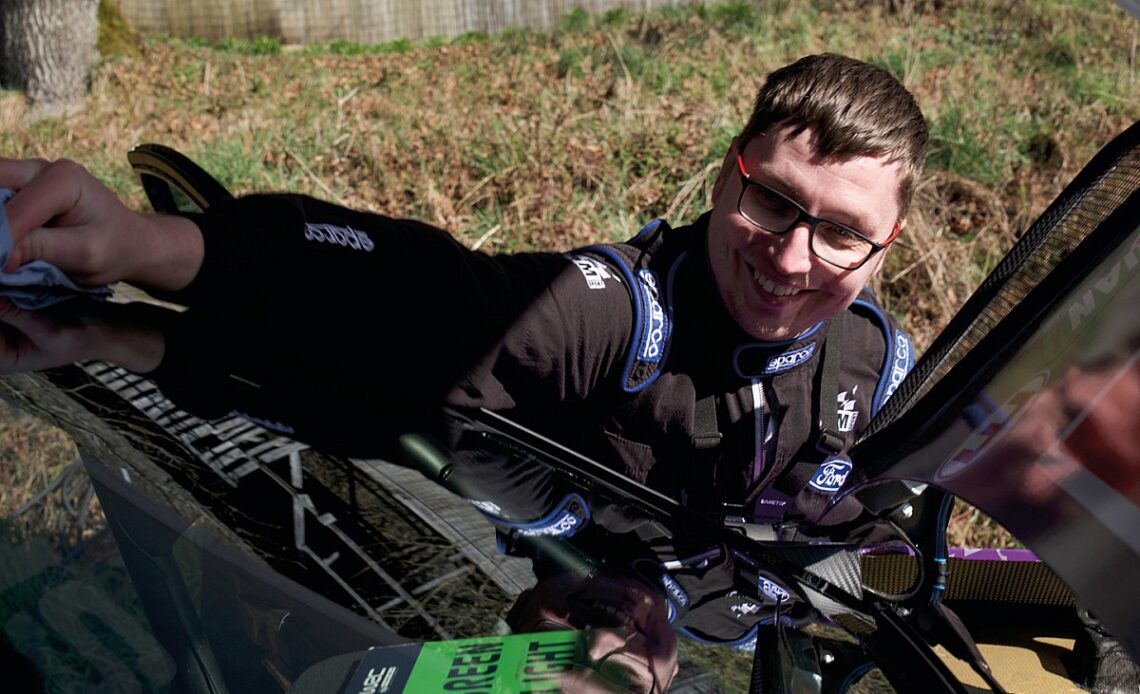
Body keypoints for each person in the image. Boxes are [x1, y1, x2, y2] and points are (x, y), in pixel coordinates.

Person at [0, 52, 928, 665]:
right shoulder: (616, 311)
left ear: (889, 246)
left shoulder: (885, 373)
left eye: (842, 234)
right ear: (729, 174)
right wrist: (149, 249)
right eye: (771, 203)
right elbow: (424, 298)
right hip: (564, 619)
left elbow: (895, 539)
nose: (792, 259)